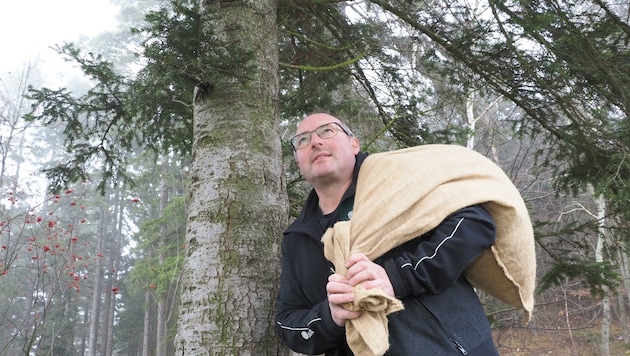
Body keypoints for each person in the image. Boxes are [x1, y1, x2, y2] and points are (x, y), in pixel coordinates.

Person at [275, 112, 499, 355]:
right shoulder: (298, 238)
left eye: (327, 131)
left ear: (354, 144)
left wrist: (398, 277)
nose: (316, 142)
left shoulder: (397, 182)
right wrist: (330, 316)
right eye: (303, 140)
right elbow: (287, 321)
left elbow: (475, 222)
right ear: (298, 160)